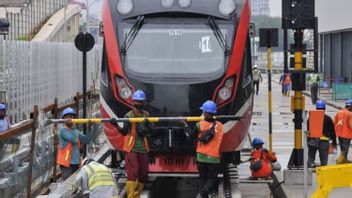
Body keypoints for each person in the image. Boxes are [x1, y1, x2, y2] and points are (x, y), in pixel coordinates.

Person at [111, 90, 154, 198]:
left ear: (143, 103)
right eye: (137, 102)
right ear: (133, 102)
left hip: (143, 149)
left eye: (141, 102)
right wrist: (116, 125)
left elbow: (153, 131)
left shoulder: (146, 115)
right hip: (132, 149)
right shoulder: (128, 116)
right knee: (132, 175)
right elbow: (124, 132)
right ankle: (131, 196)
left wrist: (148, 125)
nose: (139, 104)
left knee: (144, 174)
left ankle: (136, 194)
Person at [182, 100, 224, 198]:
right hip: (213, 157)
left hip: (201, 156)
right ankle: (202, 194)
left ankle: (202, 194)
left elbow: (191, 136)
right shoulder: (220, 126)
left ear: (205, 112)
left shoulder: (199, 124)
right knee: (212, 178)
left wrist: (185, 126)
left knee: (202, 177)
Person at [57, 107, 92, 181]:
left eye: (72, 116)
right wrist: (72, 129)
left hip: (76, 162)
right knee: (67, 185)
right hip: (67, 163)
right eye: (68, 116)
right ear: (64, 118)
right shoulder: (63, 131)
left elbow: (86, 140)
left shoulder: (75, 131)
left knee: (74, 185)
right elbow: (74, 139)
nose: (70, 118)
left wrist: (89, 128)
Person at [307, 100, 337, 167]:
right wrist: (334, 143)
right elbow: (332, 132)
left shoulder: (312, 117)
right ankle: (323, 173)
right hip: (324, 142)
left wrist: (308, 141)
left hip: (313, 141)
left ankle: (310, 170)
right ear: (325, 108)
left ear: (316, 107)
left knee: (310, 159)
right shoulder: (328, 118)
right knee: (324, 161)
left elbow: (307, 130)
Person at [334, 99, 352, 164]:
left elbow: (335, 123)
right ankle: (339, 161)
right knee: (345, 149)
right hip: (347, 135)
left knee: (342, 149)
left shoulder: (339, 112)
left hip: (340, 134)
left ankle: (344, 160)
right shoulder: (350, 114)